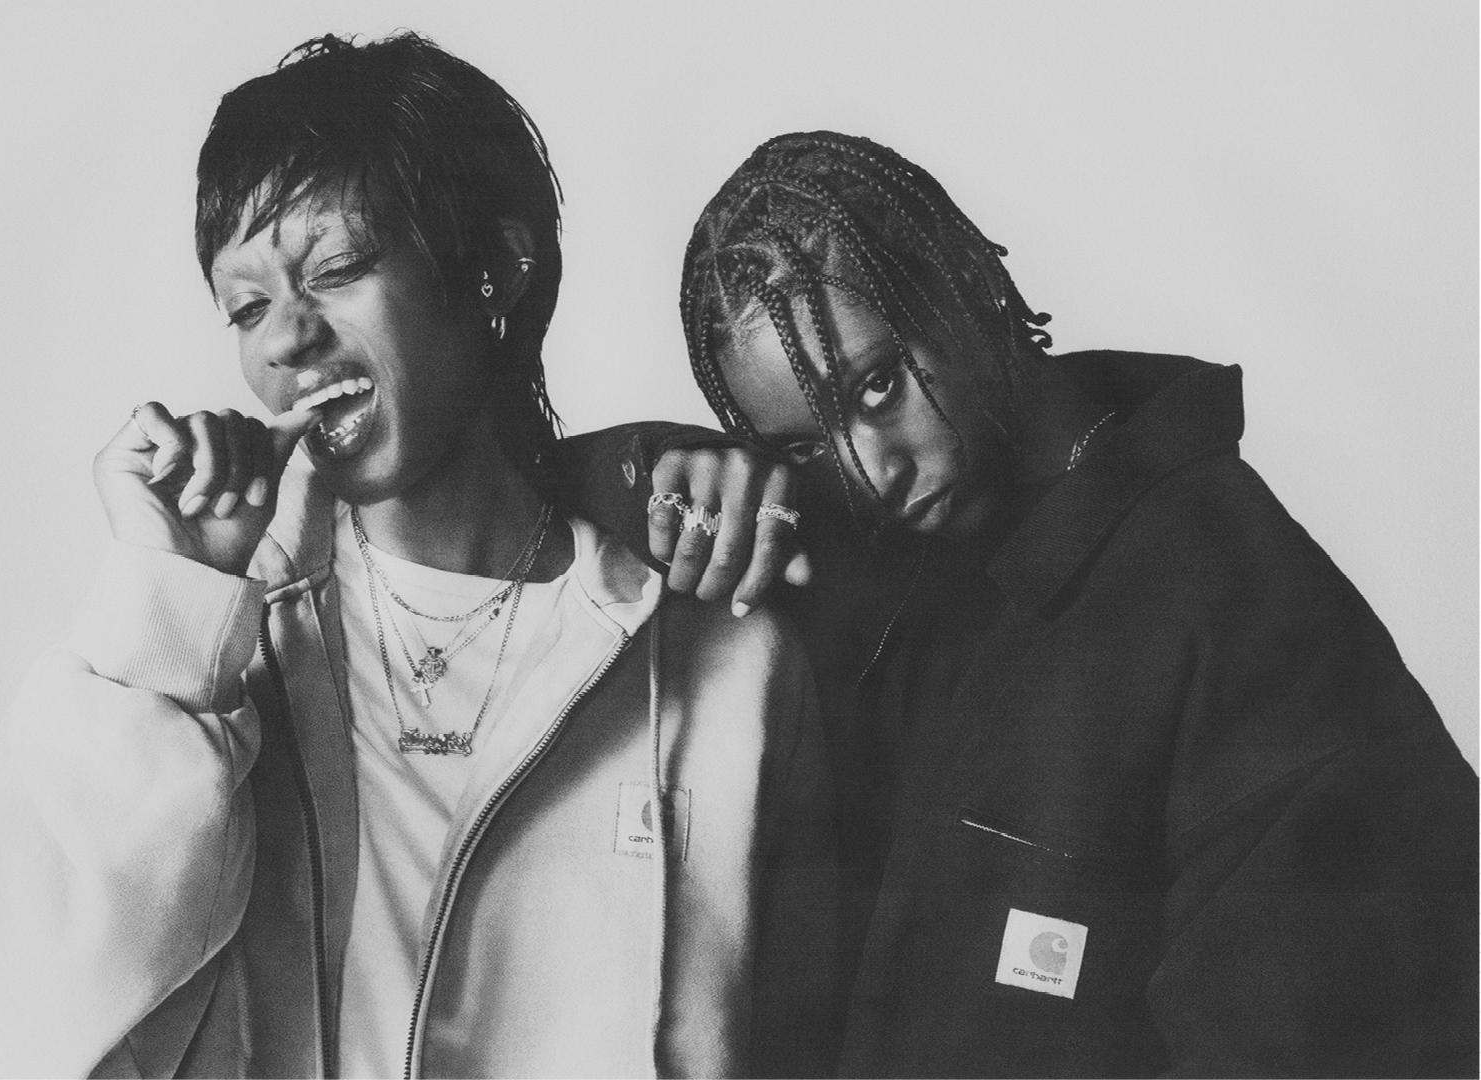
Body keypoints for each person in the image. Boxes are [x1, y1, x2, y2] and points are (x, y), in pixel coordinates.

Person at [0, 37, 839, 1079]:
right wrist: (168, 617)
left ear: (493, 270)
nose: (285, 339)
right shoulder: (226, 651)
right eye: (248, 306)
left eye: (336, 271)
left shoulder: (725, 659)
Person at [625, 130, 1477, 1077]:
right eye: (805, 445)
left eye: (878, 386)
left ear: (968, 289)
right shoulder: (866, 580)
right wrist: (648, 472)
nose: (870, 473)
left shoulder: (1237, 598)